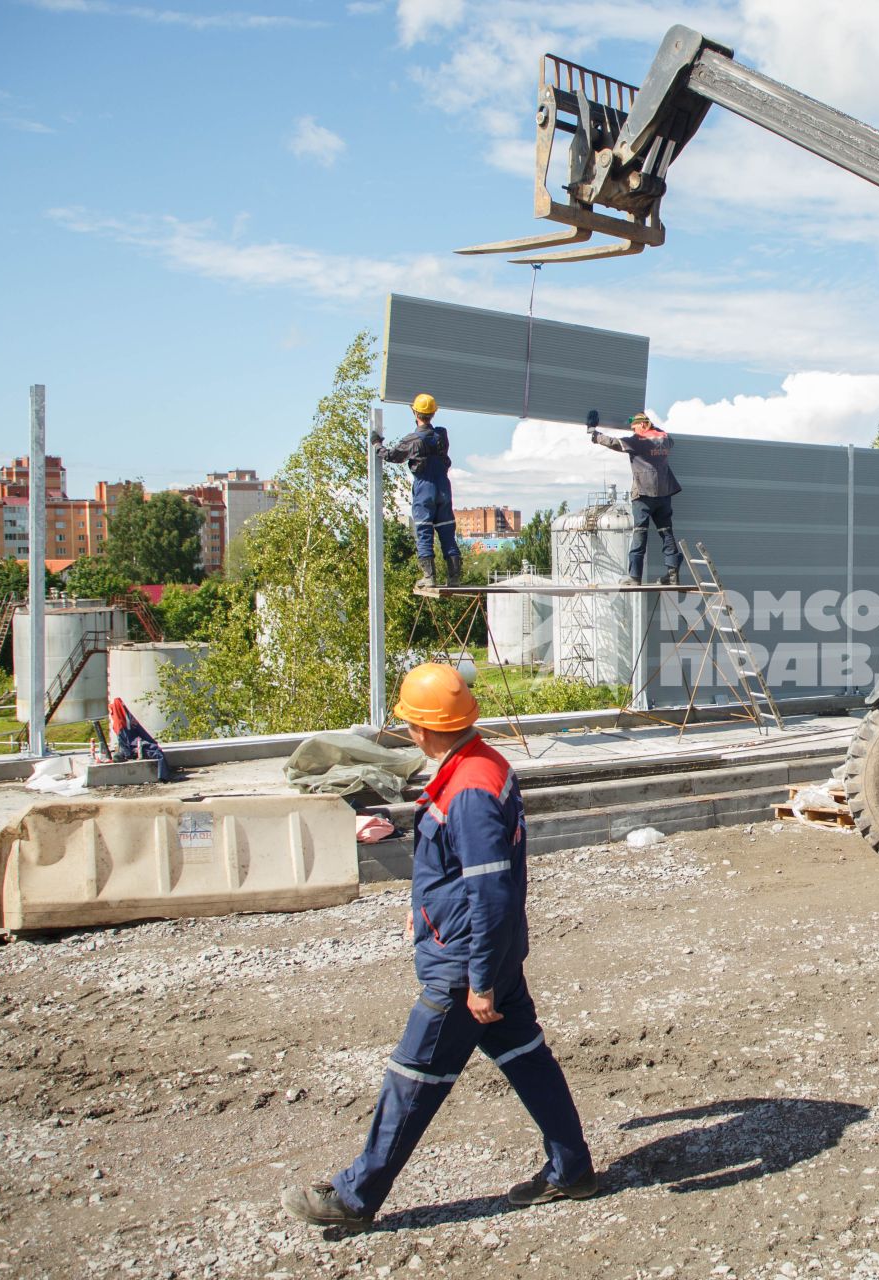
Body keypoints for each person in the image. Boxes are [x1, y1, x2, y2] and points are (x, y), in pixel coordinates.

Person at [281, 663, 597, 1229]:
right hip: (483, 953)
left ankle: (355, 1198)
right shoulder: (477, 766)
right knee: (528, 1061)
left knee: (413, 1078)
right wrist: (422, 912)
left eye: (408, 723)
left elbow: (492, 893)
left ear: (423, 729)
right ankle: (572, 1169)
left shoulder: (470, 789)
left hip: (465, 966)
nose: (407, 732)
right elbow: (456, 873)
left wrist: (478, 982)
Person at [587, 410, 682, 586]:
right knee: (666, 532)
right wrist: (650, 425)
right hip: (664, 494)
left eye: (635, 427)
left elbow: (613, 442)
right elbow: (668, 437)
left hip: (644, 495)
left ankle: (635, 576)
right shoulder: (665, 440)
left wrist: (593, 433)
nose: (633, 431)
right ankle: (673, 574)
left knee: (640, 533)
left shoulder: (638, 441)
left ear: (644, 425)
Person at [378, 393, 460, 589]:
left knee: (424, 532)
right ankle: (454, 578)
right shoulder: (442, 435)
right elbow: (434, 441)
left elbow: (391, 456)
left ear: (415, 412)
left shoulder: (412, 440)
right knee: (447, 532)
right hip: (443, 489)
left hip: (424, 490)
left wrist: (376, 445)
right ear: (433, 413)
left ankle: (429, 577)